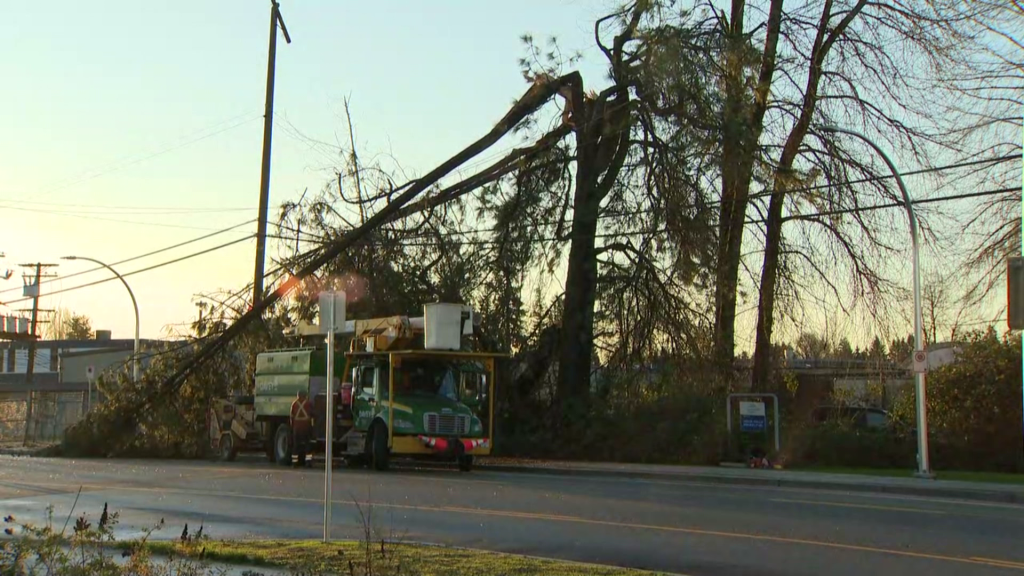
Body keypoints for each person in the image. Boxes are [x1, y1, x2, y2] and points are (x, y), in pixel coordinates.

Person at [290, 389, 314, 468]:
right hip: (306, 427)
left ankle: (294, 463)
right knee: (307, 445)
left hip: (296, 428)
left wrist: (292, 427)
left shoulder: (294, 404)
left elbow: (291, 417)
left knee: (296, 446)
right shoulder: (308, 403)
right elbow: (312, 414)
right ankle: (308, 462)